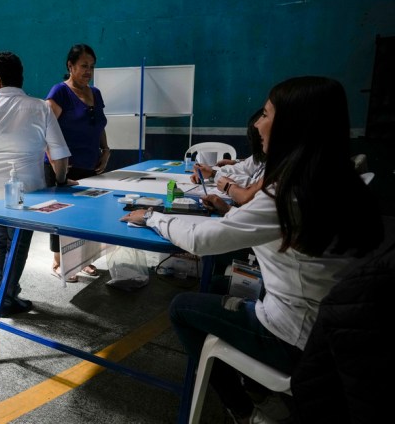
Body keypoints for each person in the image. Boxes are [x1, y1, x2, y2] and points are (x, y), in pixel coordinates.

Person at [120, 76, 384, 423]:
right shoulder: (341, 178)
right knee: (215, 286)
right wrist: (232, 213)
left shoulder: (287, 193)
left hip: (297, 338)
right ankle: (254, 385)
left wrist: (153, 217)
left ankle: (248, 410)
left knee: (182, 306)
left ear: (294, 125)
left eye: (267, 113)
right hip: (340, 331)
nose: (258, 122)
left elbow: (202, 240)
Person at [0, 51, 71, 316]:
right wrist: (61, 181)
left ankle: (4, 293)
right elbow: (59, 154)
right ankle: (7, 295)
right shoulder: (41, 107)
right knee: (18, 242)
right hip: (30, 191)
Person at [45, 43, 110, 282]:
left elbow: (99, 124)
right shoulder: (59, 92)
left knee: (89, 213)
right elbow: (46, 131)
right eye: (84, 66)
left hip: (91, 164)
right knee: (63, 215)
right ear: (70, 66)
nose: (88, 71)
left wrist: (106, 148)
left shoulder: (96, 93)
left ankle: (84, 260)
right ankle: (58, 262)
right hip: (64, 167)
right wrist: (56, 170)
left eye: (91, 67)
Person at [193, 108, 266, 207]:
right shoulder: (264, 155)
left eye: (266, 115)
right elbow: (244, 167)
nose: (257, 123)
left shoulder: (282, 167)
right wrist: (212, 172)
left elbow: (251, 190)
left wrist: (216, 176)